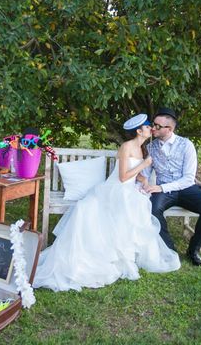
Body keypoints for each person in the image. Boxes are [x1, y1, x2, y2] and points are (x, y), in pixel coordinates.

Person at [33, 113, 180, 292]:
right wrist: (144, 164)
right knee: (88, 209)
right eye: (149, 126)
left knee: (137, 206)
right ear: (139, 130)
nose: (152, 129)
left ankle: (126, 254)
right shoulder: (126, 147)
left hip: (128, 190)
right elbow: (123, 176)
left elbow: (135, 174)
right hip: (115, 189)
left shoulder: (143, 148)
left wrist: (144, 181)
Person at [141, 107, 201, 266]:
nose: (153, 128)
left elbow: (189, 178)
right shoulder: (151, 147)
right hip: (164, 192)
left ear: (169, 129)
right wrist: (143, 185)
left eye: (157, 126)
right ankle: (169, 250)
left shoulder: (187, 145)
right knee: (153, 210)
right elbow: (146, 174)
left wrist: (161, 188)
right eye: (153, 124)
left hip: (186, 189)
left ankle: (193, 250)